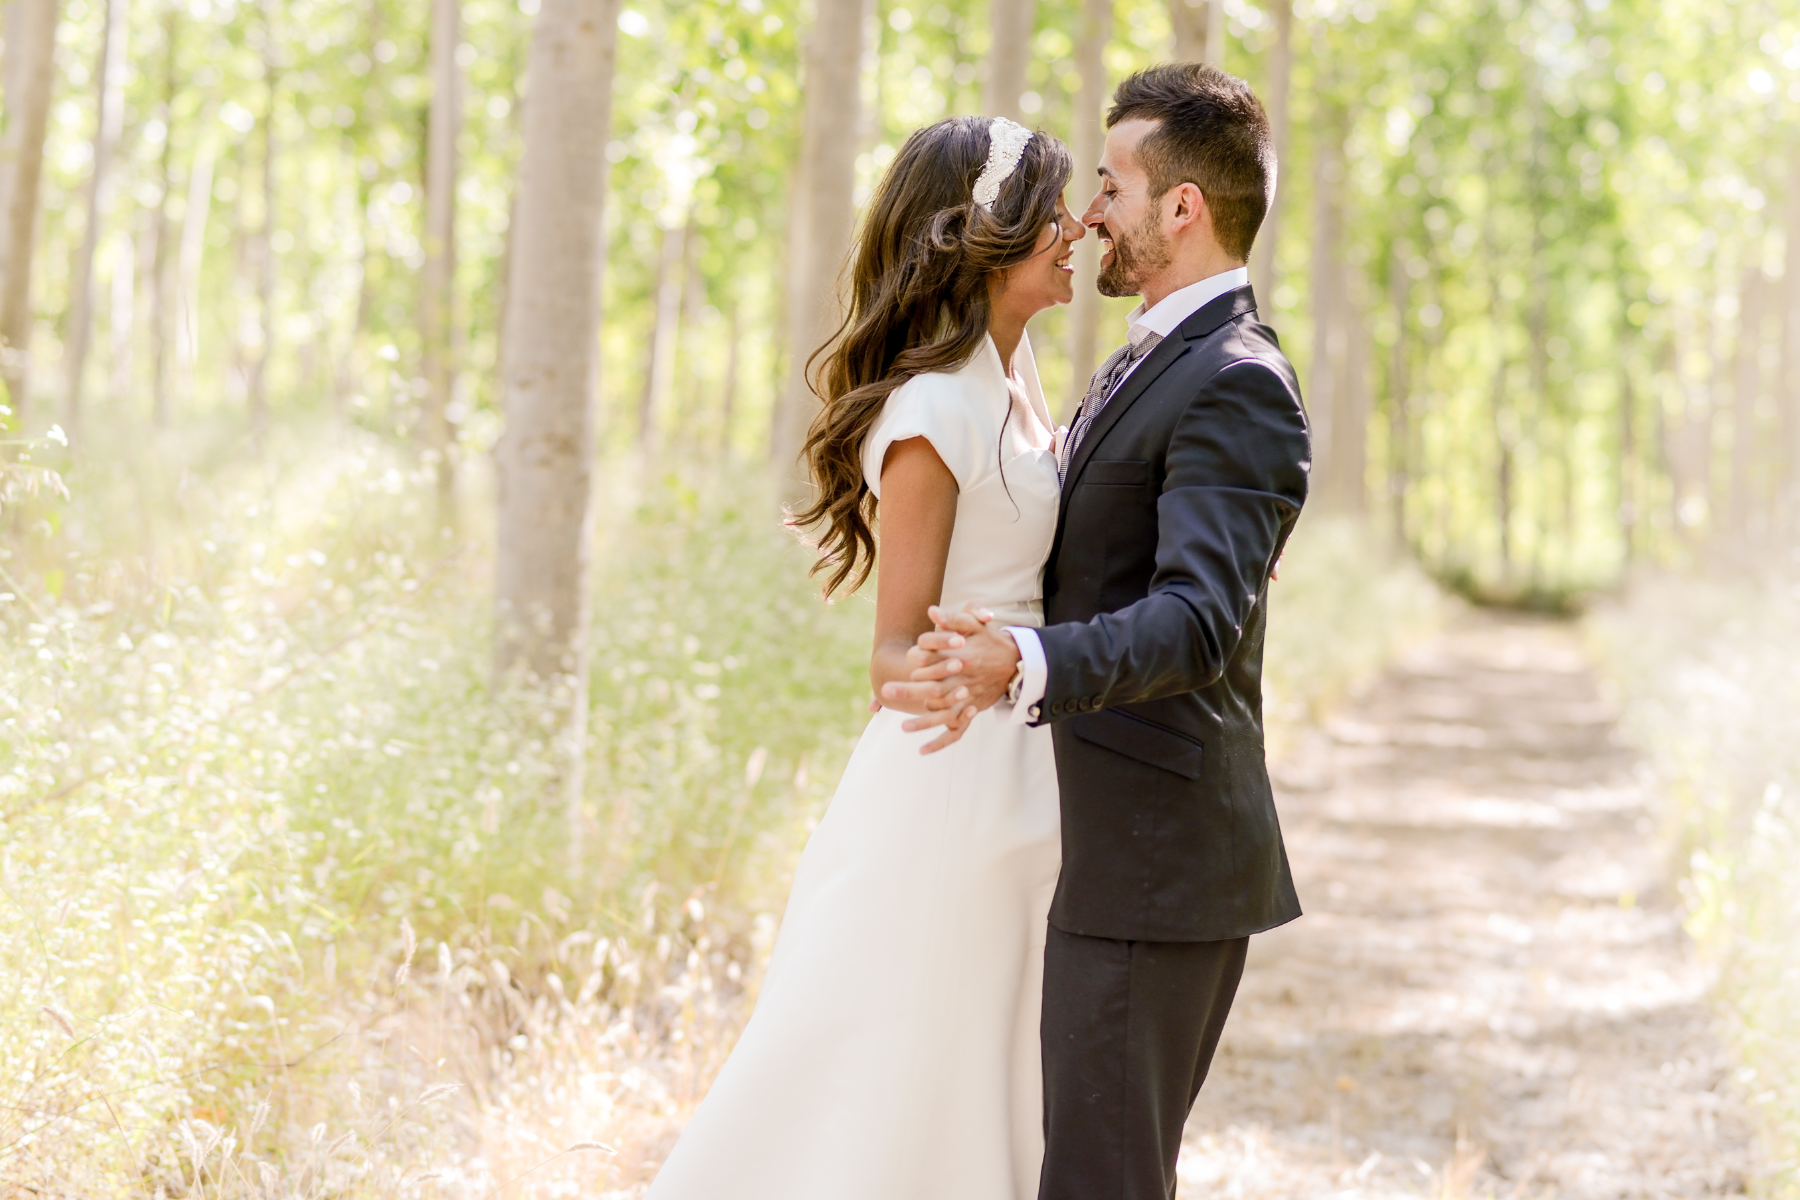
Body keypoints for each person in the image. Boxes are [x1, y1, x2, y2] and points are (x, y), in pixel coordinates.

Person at [891, 64, 1312, 1200]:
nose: (1089, 213)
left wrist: (1017, 660)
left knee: (1103, 1181)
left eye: (1115, 184)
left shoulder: (1235, 380)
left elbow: (1195, 621)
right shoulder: (1151, 357)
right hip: (1089, 847)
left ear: (1184, 208)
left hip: (1152, 863)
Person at [643, 115, 1084, 1200]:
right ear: (987, 235)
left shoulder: (1021, 389)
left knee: (991, 1064)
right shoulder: (935, 411)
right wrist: (974, 663)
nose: (1074, 232)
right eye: (1053, 213)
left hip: (1035, 763)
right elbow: (889, 652)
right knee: (906, 1066)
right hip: (956, 780)